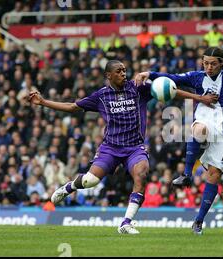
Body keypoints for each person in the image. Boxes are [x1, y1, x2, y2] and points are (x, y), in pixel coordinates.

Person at [136, 47, 223, 235]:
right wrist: (150, 73)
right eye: (205, 63)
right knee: (198, 129)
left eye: (213, 63)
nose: (208, 67)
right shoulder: (197, 77)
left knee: (213, 176)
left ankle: (198, 221)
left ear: (221, 62)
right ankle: (187, 173)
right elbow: (174, 78)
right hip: (205, 119)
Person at [28, 60, 151, 235]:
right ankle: (68, 188)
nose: (124, 73)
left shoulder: (138, 88)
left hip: (134, 147)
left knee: (141, 174)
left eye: (125, 70)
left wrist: (197, 98)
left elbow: (168, 87)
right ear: (108, 75)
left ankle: (126, 223)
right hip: (111, 147)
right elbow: (72, 107)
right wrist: (43, 102)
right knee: (90, 181)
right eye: (119, 71)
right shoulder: (101, 96)